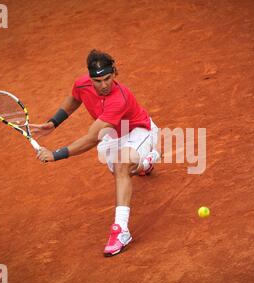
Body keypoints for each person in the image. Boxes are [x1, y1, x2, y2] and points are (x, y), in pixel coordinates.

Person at [30, 49, 160, 257]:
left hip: (139, 131)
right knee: (122, 169)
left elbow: (92, 139)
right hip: (114, 136)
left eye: (107, 78)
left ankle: (121, 231)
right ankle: (145, 163)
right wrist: (53, 123)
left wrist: (55, 154)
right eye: (97, 81)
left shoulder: (120, 99)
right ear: (90, 79)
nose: (103, 85)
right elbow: (74, 99)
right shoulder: (82, 84)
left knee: (121, 166)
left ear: (115, 73)